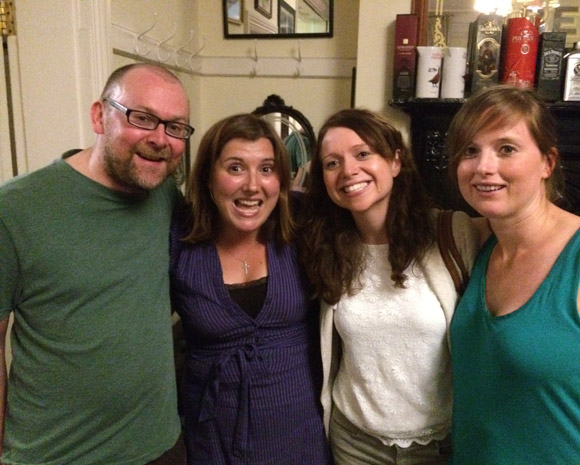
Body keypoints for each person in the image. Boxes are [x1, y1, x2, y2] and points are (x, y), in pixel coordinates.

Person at [0, 63, 193, 464]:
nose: (160, 139)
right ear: (99, 116)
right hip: (57, 454)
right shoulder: (15, 209)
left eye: (175, 127)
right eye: (142, 118)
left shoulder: (164, 197)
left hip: (160, 446)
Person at [446, 85, 580, 464]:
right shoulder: (476, 242)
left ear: (547, 163)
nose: (483, 167)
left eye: (506, 149)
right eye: (470, 151)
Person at [298, 108, 480, 465]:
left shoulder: (451, 233)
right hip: (355, 443)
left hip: (438, 444)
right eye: (332, 163)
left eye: (363, 154)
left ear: (396, 161)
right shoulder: (326, 246)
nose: (348, 170)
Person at [169, 113, 332, 465]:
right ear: (208, 176)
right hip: (213, 439)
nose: (253, 185)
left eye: (267, 169)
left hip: (299, 435)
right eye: (235, 168)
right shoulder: (178, 240)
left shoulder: (303, 227)